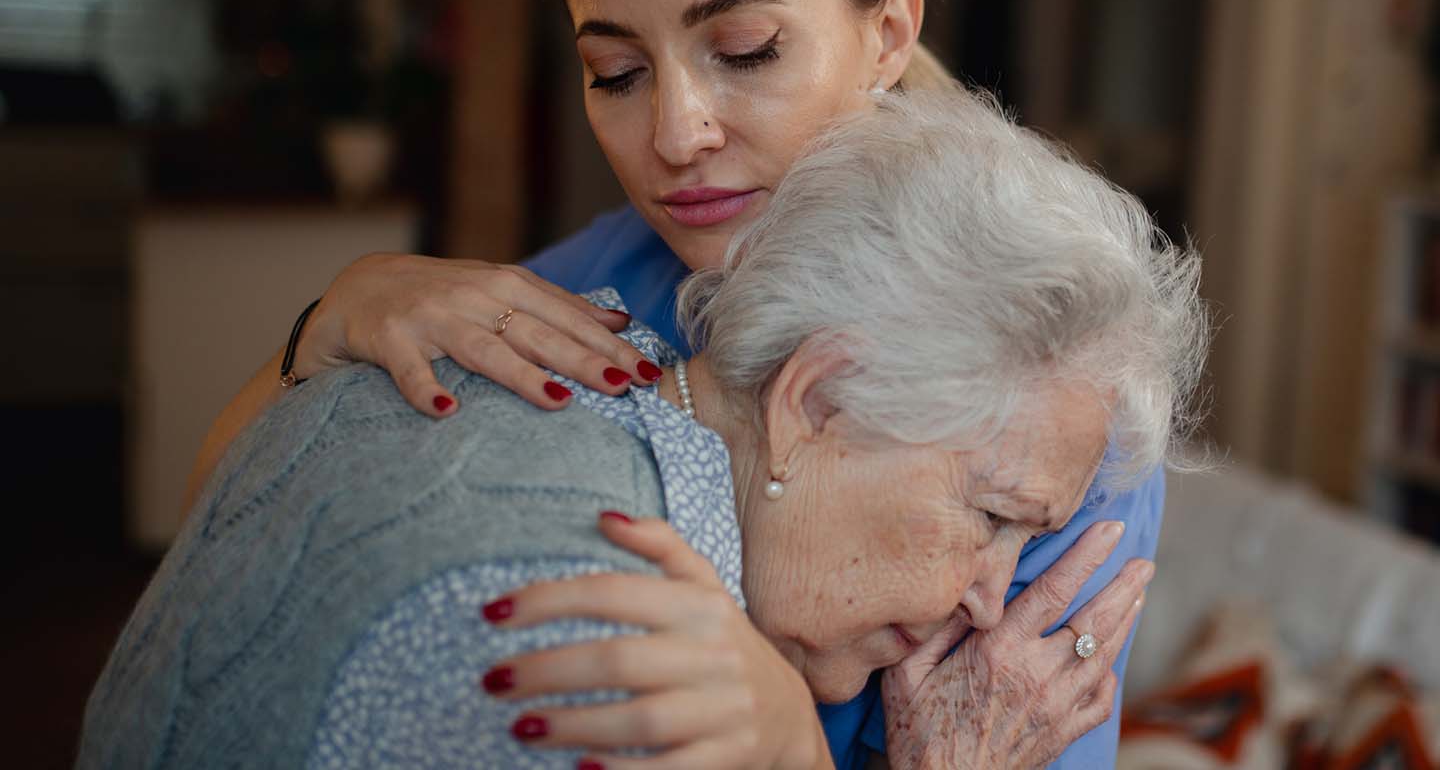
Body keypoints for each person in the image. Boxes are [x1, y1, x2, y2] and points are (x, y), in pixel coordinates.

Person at [184, 0, 1176, 767]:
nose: (675, 131)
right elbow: (230, 552)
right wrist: (328, 324)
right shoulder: (581, 295)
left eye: (744, 49)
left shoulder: (1036, 393)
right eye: (614, 71)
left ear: (887, 34)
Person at [84, 90, 1208, 769]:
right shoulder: (625, 660)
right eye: (994, 516)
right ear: (815, 402)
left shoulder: (539, 363)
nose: (987, 597)